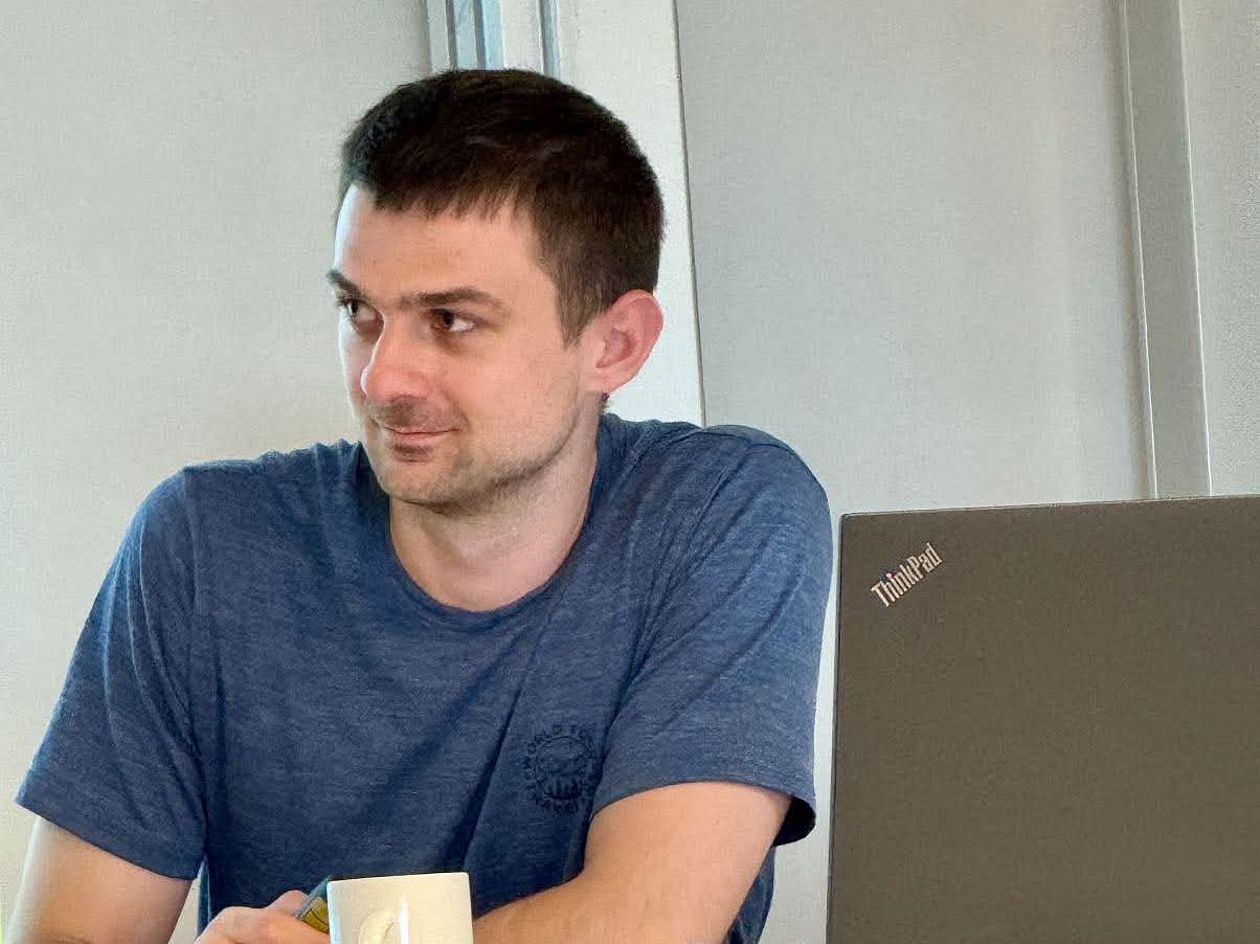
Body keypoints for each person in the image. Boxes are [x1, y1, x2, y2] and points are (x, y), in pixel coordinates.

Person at [10, 69, 831, 944]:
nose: (383, 378)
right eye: (358, 310)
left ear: (615, 344)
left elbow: (647, 925)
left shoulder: (724, 513)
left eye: (450, 320)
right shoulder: (203, 547)